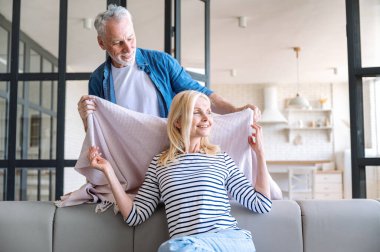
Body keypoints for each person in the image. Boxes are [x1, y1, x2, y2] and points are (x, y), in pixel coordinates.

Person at [88, 90, 272, 252]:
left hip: (229, 241)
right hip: (188, 246)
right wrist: (108, 171)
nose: (207, 118)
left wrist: (260, 154)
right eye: (197, 112)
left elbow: (261, 203)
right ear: (177, 121)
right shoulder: (159, 164)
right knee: (178, 247)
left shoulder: (220, 158)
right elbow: (135, 216)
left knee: (174, 247)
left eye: (208, 112)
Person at [78, 4, 261, 131]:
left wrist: (236, 111)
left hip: (166, 154)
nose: (128, 48)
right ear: (102, 43)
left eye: (131, 38)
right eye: (118, 43)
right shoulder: (98, 79)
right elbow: (98, 130)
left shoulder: (161, 62)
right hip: (126, 157)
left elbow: (199, 93)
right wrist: (85, 118)